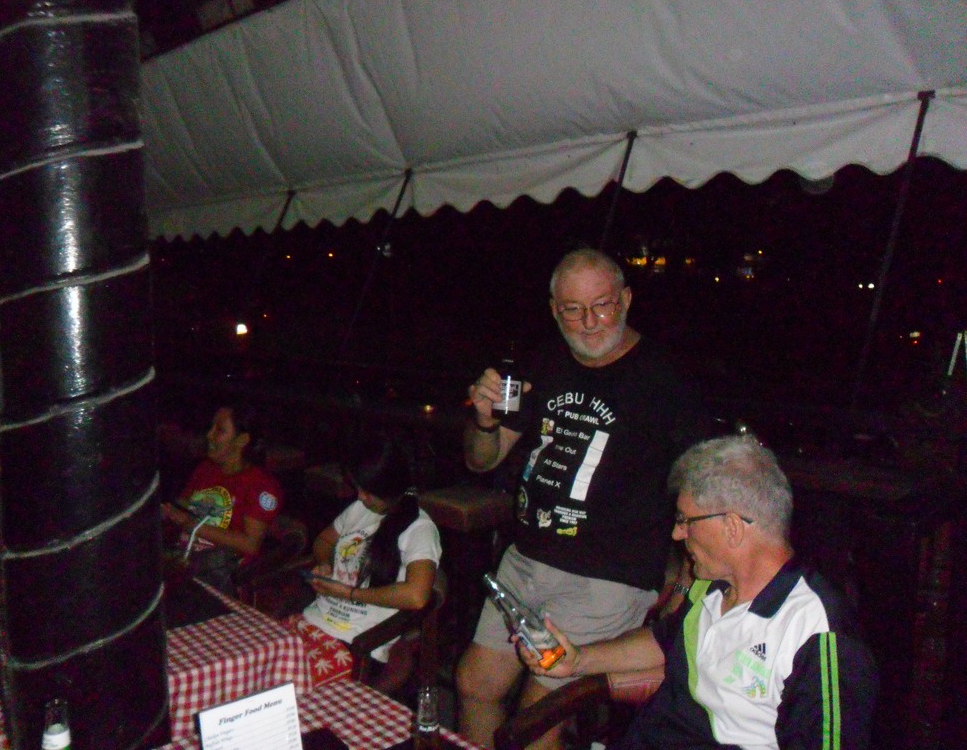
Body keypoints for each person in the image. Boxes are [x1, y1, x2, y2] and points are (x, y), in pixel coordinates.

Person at [457, 247, 711, 749]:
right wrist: (483, 422)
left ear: (626, 300)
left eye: (603, 305)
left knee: (539, 716)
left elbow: (701, 485)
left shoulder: (666, 380)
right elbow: (482, 460)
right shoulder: (543, 361)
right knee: (474, 685)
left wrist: (686, 582)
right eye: (574, 309)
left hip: (608, 575)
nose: (590, 322)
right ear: (555, 310)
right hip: (526, 558)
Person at [522, 434, 878, 750]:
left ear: (733, 528)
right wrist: (577, 660)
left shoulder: (818, 634)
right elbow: (664, 641)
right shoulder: (710, 586)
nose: (677, 534)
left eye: (684, 520)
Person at [297, 430, 442, 694]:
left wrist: (351, 594)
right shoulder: (360, 510)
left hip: (353, 641)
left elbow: (417, 595)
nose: (360, 496)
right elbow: (323, 541)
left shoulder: (419, 528)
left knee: (286, 686)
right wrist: (325, 564)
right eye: (359, 488)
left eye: (367, 490)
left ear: (388, 486)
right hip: (313, 621)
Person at [161, 402, 283, 596]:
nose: (209, 435)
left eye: (219, 430)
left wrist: (190, 524)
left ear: (242, 440)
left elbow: (250, 544)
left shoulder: (261, 486)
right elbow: (183, 506)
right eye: (211, 428)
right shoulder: (206, 469)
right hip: (186, 556)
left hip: (222, 570)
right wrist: (167, 511)